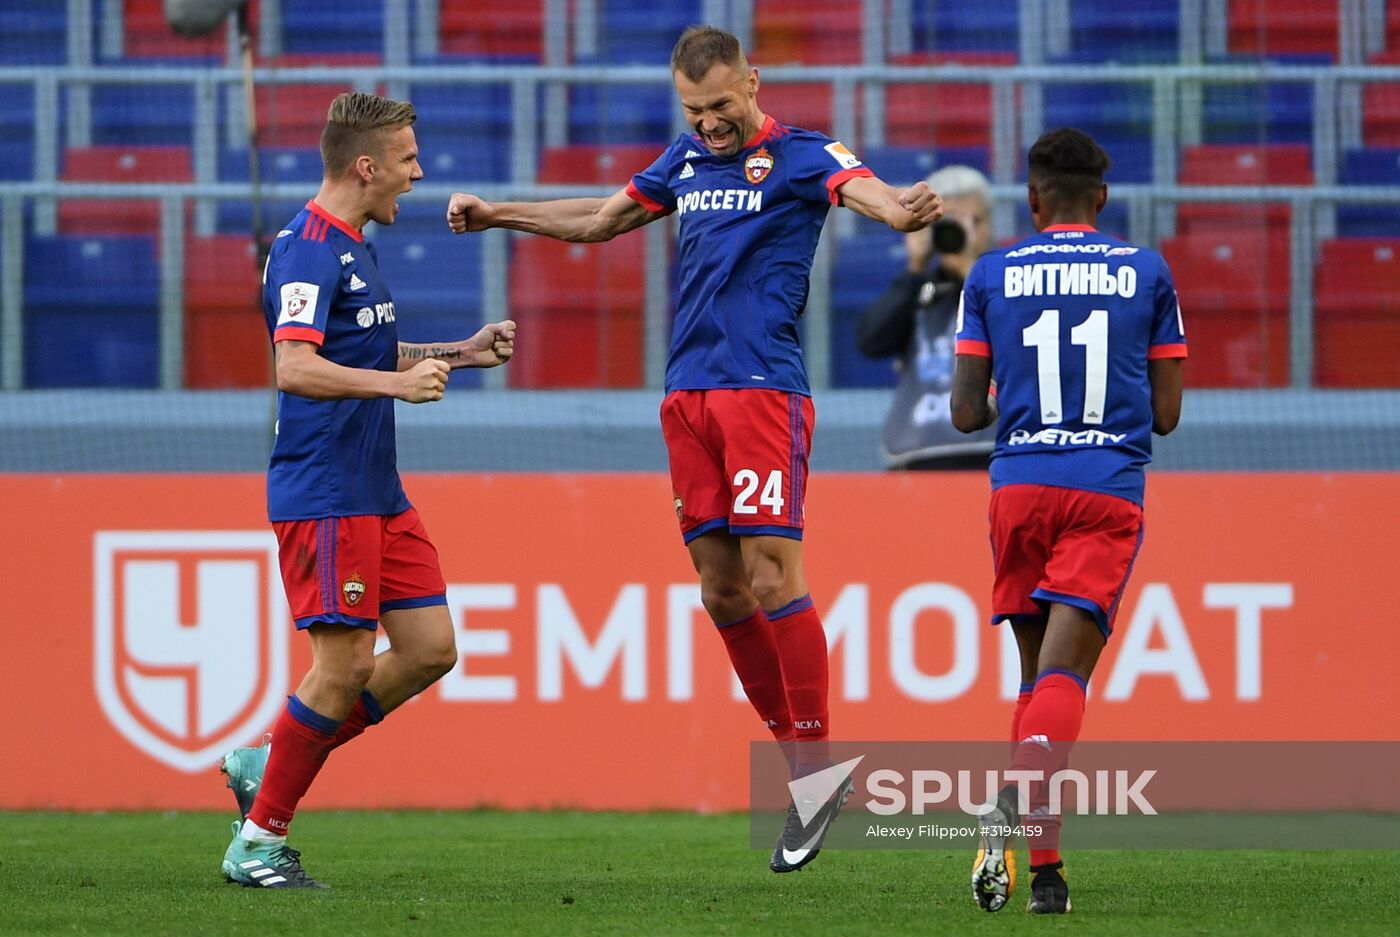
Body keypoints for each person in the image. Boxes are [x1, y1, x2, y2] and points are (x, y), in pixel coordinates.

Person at [446, 25, 941, 872]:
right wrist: (499, 214)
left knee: (773, 571)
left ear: (753, 80)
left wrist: (903, 209)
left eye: (719, 104)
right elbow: (601, 221)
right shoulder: (683, 160)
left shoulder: (803, 153)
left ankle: (817, 769)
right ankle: (803, 771)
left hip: (761, 391)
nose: (709, 122)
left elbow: (866, 192)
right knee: (720, 590)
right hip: (687, 398)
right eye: (693, 108)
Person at [218, 91, 517, 889]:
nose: (417, 175)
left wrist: (461, 351)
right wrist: (396, 389)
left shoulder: (354, 244)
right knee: (343, 664)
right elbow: (295, 366)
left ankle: (264, 758)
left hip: (376, 489)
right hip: (325, 488)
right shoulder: (309, 248)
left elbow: (371, 348)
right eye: (408, 160)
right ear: (365, 165)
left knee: (429, 649)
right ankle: (258, 842)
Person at [950, 128, 1185, 914]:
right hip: (1103, 489)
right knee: (1064, 678)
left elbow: (960, 412)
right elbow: (1167, 413)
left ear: (1033, 197)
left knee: (1031, 684)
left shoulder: (990, 273)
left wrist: (1015, 398)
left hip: (1019, 489)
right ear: (1105, 199)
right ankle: (1011, 804)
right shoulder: (1148, 271)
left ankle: (1045, 875)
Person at [855, 164, 996, 470]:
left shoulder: (1006, 284)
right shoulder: (919, 290)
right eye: (948, 220)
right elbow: (870, 342)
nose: (959, 229)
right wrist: (915, 268)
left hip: (991, 449)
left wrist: (970, 273)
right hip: (919, 452)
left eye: (971, 220)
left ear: (988, 226)